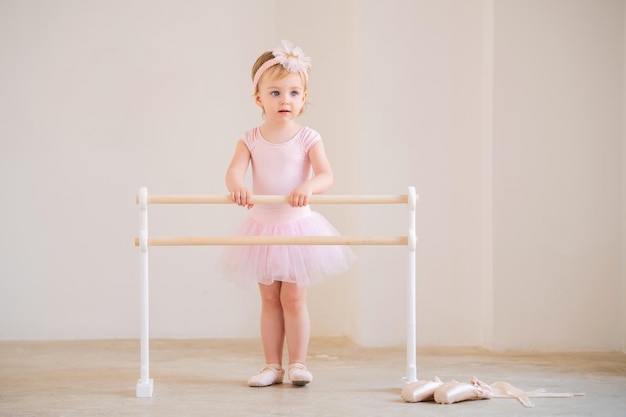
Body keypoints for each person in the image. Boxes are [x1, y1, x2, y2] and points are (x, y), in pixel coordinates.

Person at [219, 40, 355, 387]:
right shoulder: (250, 138)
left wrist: (309, 186)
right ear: (259, 99)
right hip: (262, 227)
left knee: (293, 296)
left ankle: (297, 363)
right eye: (276, 92)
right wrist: (238, 186)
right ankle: (271, 366)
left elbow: (326, 175)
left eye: (294, 93)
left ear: (303, 98)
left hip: (296, 227)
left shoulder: (308, 137)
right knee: (268, 298)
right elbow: (234, 172)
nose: (285, 100)